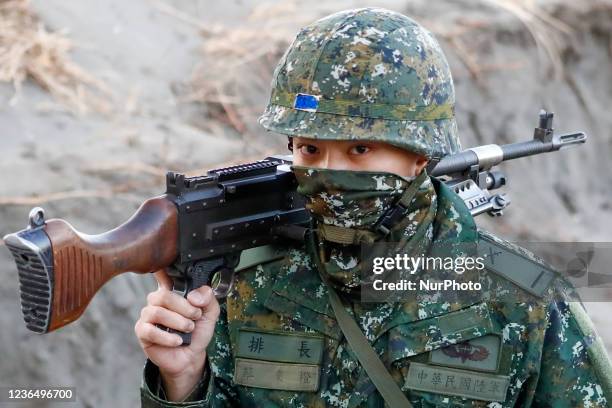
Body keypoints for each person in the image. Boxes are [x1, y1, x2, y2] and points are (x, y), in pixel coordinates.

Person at [136, 8, 612, 407]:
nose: (328, 172)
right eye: (309, 150)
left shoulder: (522, 298)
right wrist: (183, 382)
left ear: (420, 154)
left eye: (359, 150)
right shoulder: (250, 284)